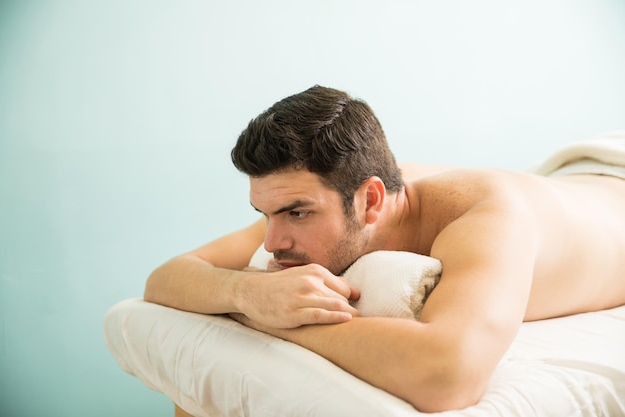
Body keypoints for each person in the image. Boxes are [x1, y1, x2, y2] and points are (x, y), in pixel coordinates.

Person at [144, 85, 625, 413]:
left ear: (370, 200)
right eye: (264, 215)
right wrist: (246, 293)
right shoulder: (323, 196)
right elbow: (166, 278)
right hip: (570, 171)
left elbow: (449, 374)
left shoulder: (490, 218)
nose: (272, 244)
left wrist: (276, 319)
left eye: (296, 213)